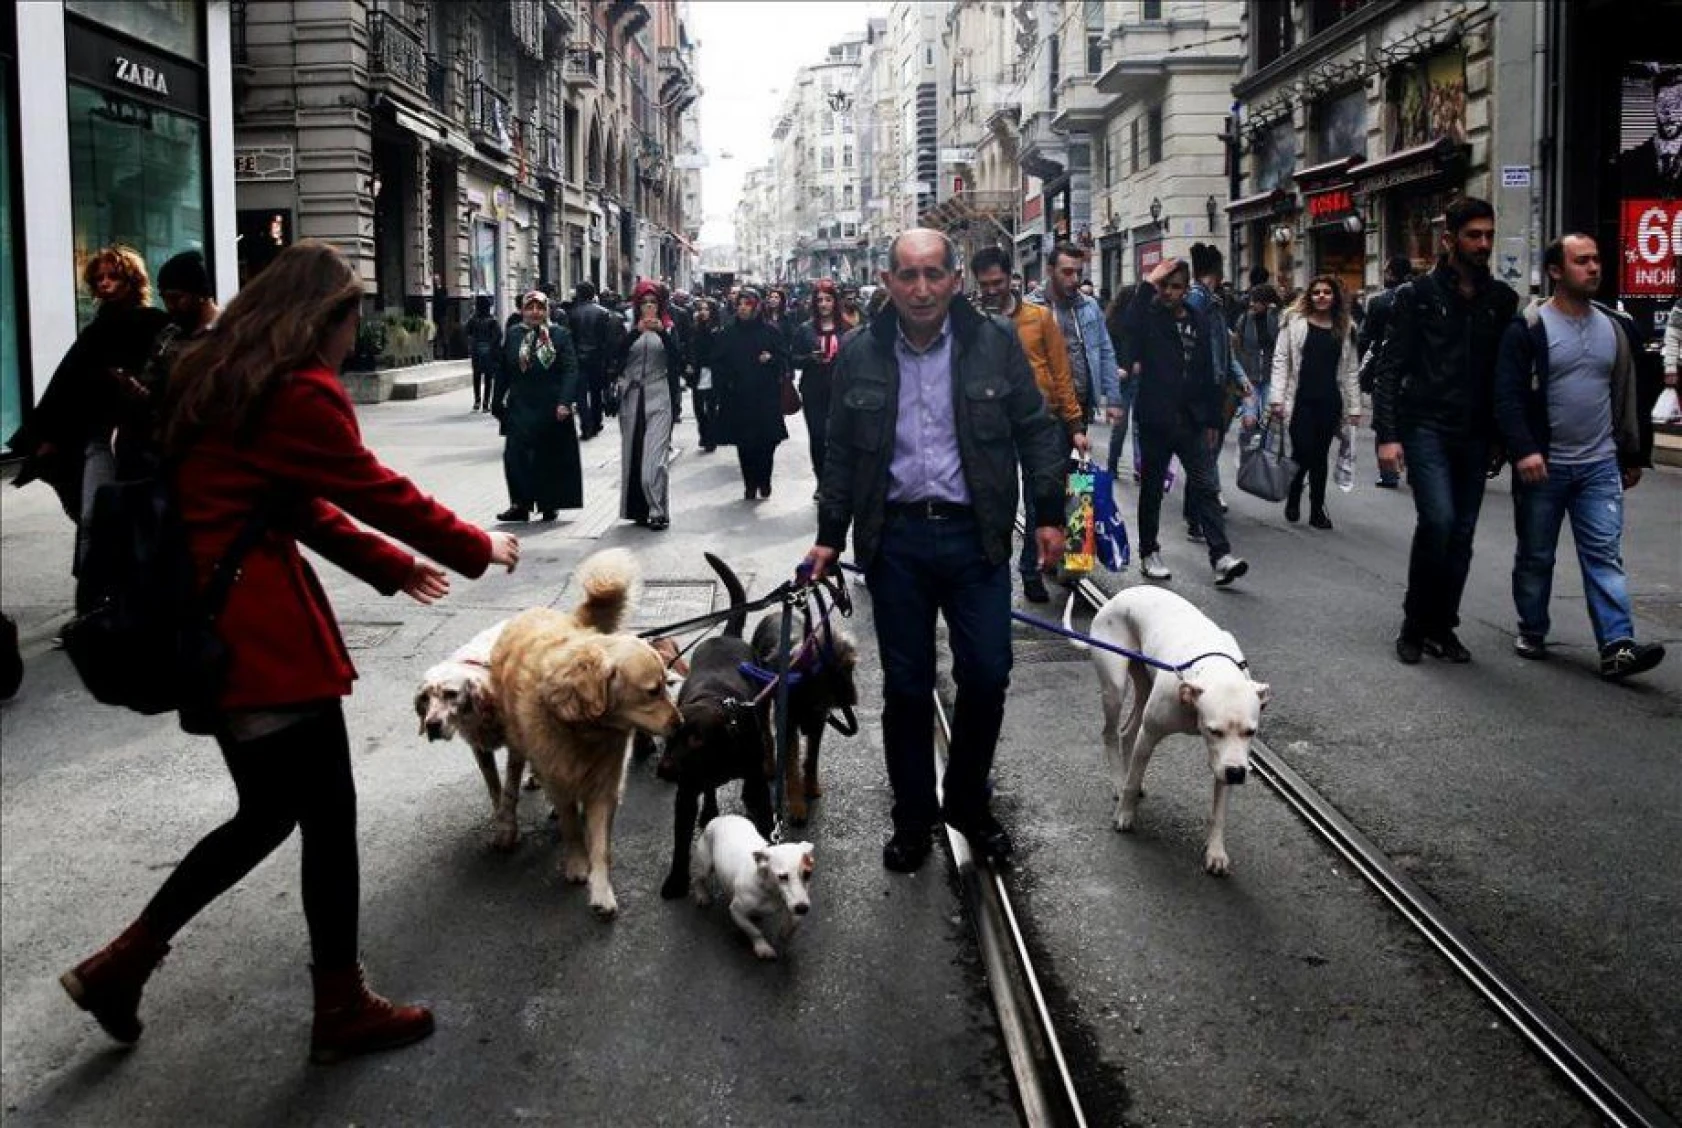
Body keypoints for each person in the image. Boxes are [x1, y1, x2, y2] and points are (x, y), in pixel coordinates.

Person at [58, 240, 521, 1064]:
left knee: (272, 813)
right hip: (255, 637)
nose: (354, 340)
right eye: (352, 322)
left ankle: (122, 967)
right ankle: (337, 1005)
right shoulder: (296, 389)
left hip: (207, 625)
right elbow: (371, 486)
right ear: (325, 318)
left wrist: (390, 565)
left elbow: (288, 500)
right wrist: (474, 545)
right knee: (320, 815)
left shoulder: (222, 372)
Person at [801, 229, 1067, 872]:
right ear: (889, 282)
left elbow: (1035, 429)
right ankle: (914, 816)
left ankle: (969, 803)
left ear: (955, 280)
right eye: (908, 276)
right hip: (896, 542)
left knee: (987, 673)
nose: (921, 289)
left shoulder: (994, 343)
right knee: (908, 687)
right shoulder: (861, 353)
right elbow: (840, 452)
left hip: (975, 538)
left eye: (933, 275)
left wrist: (1051, 516)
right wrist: (829, 536)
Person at [1493, 234, 1665, 679]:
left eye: (1596, 259)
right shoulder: (1528, 328)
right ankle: (1532, 627)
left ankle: (1617, 645)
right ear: (1555, 271)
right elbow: (1508, 397)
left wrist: (1633, 454)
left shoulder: (1617, 327)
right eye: (1582, 261)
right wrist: (1525, 450)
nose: (1594, 268)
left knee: (1604, 555)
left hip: (1599, 465)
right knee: (1536, 555)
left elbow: (1632, 394)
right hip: (1543, 467)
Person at [1372, 196, 1520, 665]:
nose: (1483, 244)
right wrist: (1388, 434)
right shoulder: (1416, 297)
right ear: (1449, 239)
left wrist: (1504, 437)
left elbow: (1506, 375)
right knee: (1437, 522)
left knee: (1461, 534)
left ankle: (1443, 625)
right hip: (1426, 425)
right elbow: (1390, 369)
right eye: (1474, 235)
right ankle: (1415, 623)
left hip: (1475, 432)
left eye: (1489, 236)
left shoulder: (1501, 301)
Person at [8, 245, 171, 574]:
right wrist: (48, 435)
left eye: (113, 277)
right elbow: (68, 387)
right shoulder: (96, 332)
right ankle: (94, 594)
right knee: (93, 515)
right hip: (99, 437)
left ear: (131, 280)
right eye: (99, 279)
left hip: (143, 438)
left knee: (140, 517)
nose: (105, 284)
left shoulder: (155, 324)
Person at [1123, 257, 1250, 586]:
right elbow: (1130, 327)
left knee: (1206, 486)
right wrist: (1150, 281)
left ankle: (1221, 556)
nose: (1167, 292)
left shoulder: (1199, 319)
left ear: (1186, 289)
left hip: (1192, 420)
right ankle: (1149, 552)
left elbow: (1209, 371)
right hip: (1156, 418)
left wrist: (1212, 420)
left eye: (1175, 286)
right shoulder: (1149, 316)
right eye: (1164, 286)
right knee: (1152, 489)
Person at [971, 245, 1087, 603]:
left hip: (1042, 423)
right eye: (984, 284)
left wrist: (1075, 425)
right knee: (996, 500)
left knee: (1042, 500)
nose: (991, 290)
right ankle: (993, 572)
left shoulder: (1039, 318)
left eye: (997, 282)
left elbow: (1061, 373)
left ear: (1010, 279)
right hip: (994, 425)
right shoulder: (974, 324)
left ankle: (1031, 571)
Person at [113, 250, 221, 477]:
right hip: (166, 446)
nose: (170, 306)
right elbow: (152, 384)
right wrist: (137, 391)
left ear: (200, 294)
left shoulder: (228, 333)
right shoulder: (170, 335)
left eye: (176, 298)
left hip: (209, 447)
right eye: (165, 298)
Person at [1269, 276, 1362, 529]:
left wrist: (1354, 408)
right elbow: (1281, 361)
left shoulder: (1346, 327)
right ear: (1309, 296)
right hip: (1300, 400)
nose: (1321, 296)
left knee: (1320, 455)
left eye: (1327, 293)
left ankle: (1317, 509)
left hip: (1330, 401)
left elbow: (1351, 369)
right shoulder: (1293, 323)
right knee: (1302, 452)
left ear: (1335, 297)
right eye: (1316, 292)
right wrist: (1276, 399)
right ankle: (1295, 493)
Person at [494, 290, 583, 523]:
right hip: (521, 404)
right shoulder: (513, 334)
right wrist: (496, 401)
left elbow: (570, 369)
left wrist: (565, 401)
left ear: (547, 310)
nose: (535, 312)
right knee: (515, 457)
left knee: (548, 457)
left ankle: (548, 504)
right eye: (530, 307)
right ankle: (520, 504)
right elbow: (503, 369)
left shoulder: (559, 334)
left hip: (551, 405)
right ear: (522, 310)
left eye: (539, 308)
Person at [1183, 243, 1250, 542]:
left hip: (1216, 386)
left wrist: (1239, 377)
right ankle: (1199, 519)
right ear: (1216, 273)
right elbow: (1205, 350)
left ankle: (1197, 515)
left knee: (1204, 455)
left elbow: (1222, 347)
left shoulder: (1211, 302)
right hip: (1207, 388)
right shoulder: (1201, 302)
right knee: (1203, 456)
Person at [613, 280, 682, 530]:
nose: (649, 308)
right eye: (644, 303)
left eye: (653, 303)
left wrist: (662, 332)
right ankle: (637, 509)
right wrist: (635, 332)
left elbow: (678, 360)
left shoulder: (670, 326)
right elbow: (614, 355)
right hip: (631, 397)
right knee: (633, 455)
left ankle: (657, 509)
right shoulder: (624, 324)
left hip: (659, 395)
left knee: (654, 459)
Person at [1027, 243, 1121, 423]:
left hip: (1081, 405)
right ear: (1050, 271)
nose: (1075, 279)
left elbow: (1105, 351)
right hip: (1044, 409)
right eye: (1067, 272)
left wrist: (1114, 399)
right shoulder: (1030, 308)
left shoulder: (1090, 306)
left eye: (1079, 272)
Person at [714, 287, 789, 499]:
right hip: (740, 397)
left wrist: (771, 359)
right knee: (745, 444)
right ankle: (749, 483)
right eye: (740, 304)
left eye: (748, 304)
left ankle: (764, 479)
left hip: (766, 397)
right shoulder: (729, 332)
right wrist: (727, 382)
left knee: (767, 443)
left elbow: (785, 359)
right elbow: (717, 361)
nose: (743, 308)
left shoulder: (770, 331)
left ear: (756, 306)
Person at [791, 279, 855, 501]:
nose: (824, 304)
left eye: (828, 300)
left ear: (835, 302)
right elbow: (794, 359)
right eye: (819, 300)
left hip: (841, 390)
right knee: (818, 437)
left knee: (838, 437)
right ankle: (822, 481)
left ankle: (839, 481)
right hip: (814, 390)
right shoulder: (805, 330)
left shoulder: (847, 328)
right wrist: (810, 358)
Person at [1358, 256, 1415, 487]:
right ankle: (1414, 470)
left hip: (1385, 366)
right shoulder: (1420, 296)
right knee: (1411, 419)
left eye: (1385, 270)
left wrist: (1358, 364)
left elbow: (1365, 337)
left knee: (1384, 417)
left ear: (1391, 273)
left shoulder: (1379, 302)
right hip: (1415, 371)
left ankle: (1389, 474)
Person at [567, 281, 619, 440]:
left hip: (578, 358)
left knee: (581, 394)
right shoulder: (603, 313)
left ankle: (586, 425)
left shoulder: (572, 313)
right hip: (597, 358)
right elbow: (608, 340)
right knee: (596, 392)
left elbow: (570, 338)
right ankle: (596, 422)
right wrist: (610, 361)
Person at [1233, 283, 1280, 436]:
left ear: (1267, 302)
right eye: (1251, 300)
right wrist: (1240, 372)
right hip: (1249, 377)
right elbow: (1236, 346)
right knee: (1249, 420)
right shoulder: (1244, 319)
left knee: (1268, 421)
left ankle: (1265, 456)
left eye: (1257, 301)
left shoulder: (1277, 319)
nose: (1252, 304)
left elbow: (1281, 344)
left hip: (1270, 376)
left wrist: (1272, 315)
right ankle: (1248, 453)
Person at [687, 298, 723, 452]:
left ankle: (711, 437)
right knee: (698, 407)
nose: (703, 312)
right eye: (701, 309)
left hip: (713, 372)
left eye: (707, 309)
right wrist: (689, 363)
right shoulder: (695, 328)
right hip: (698, 372)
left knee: (711, 406)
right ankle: (703, 433)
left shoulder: (718, 330)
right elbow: (689, 348)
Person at [464, 295, 502, 414]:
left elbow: (466, 331)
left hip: (476, 351)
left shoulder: (473, 319)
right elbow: (498, 336)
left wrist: (473, 342)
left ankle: (477, 401)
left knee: (476, 376)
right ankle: (486, 403)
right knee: (488, 378)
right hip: (489, 352)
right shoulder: (493, 320)